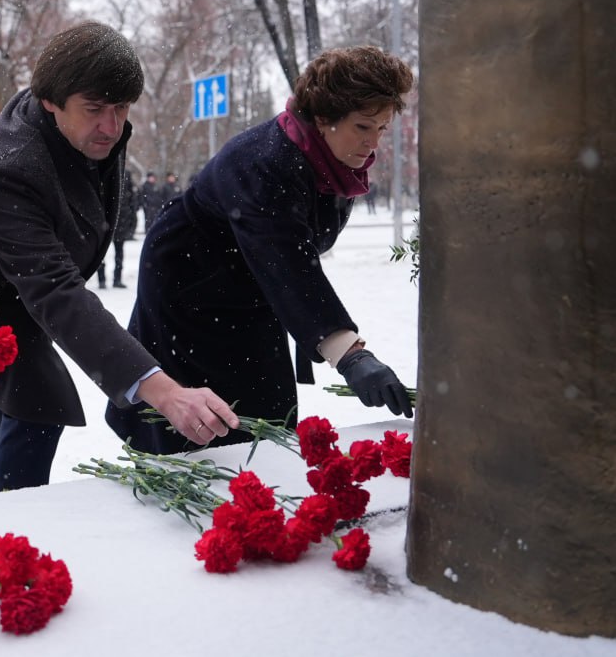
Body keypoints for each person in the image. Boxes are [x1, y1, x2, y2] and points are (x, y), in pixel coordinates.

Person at [0, 20, 238, 500]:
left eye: (122, 108)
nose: (112, 126)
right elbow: (54, 289)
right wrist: (163, 391)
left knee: (8, 398)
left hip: (14, 286)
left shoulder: (83, 127)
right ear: (49, 100)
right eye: (95, 110)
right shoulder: (11, 168)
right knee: (39, 402)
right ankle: (18, 521)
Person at [108, 46, 416, 455]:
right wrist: (351, 356)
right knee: (204, 424)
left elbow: (290, 256)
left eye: (382, 128)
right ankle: (194, 495)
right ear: (324, 118)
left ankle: (255, 485)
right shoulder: (266, 161)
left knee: (267, 411)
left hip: (252, 286)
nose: (373, 143)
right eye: (363, 126)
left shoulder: (333, 162)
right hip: (189, 288)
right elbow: (287, 260)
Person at [97, 168, 137, 289]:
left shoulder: (126, 174)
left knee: (119, 252)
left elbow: (132, 199)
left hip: (121, 218)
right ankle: (102, 280)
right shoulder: (102, 169)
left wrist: (131, 218)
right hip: (103, 218)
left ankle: (117, 279)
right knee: (101, 253)